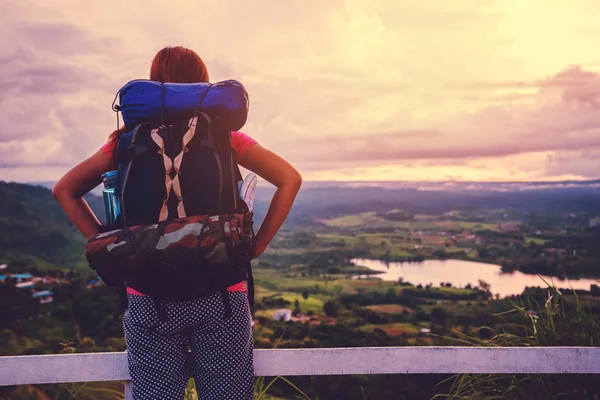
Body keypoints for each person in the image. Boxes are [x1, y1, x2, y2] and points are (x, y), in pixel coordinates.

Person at [52, 46, 302, 400]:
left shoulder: (123, 142)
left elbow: (64, 190)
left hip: (147, 293)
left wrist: (114, 244)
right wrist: (257, 244)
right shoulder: (225, 138)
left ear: (155, 84)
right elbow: (290, 178)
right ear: (202, 84)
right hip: (222, 292)